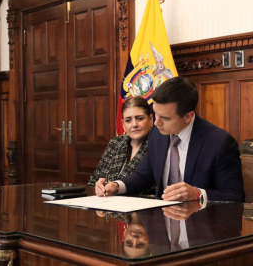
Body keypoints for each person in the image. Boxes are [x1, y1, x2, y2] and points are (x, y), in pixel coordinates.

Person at [97, 76, 245, 202]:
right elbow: (144, 175)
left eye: (165, 118)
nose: (156, 123)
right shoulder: (157, 133)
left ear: (188, 116)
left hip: (201, 226)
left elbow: (235, 196)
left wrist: (198, 194)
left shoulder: (219, 142)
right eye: (155, 114)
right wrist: (116, 186)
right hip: (163, 225)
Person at [90, 96, 156, 196]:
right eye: (128, 120)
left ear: (150, 120)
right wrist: (99, 187)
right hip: (106, 205)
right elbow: (94, 180)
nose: (134, 124)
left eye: (139, 118)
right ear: (123, 124)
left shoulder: (158, 145)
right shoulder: (115, 143)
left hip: (142, 208)